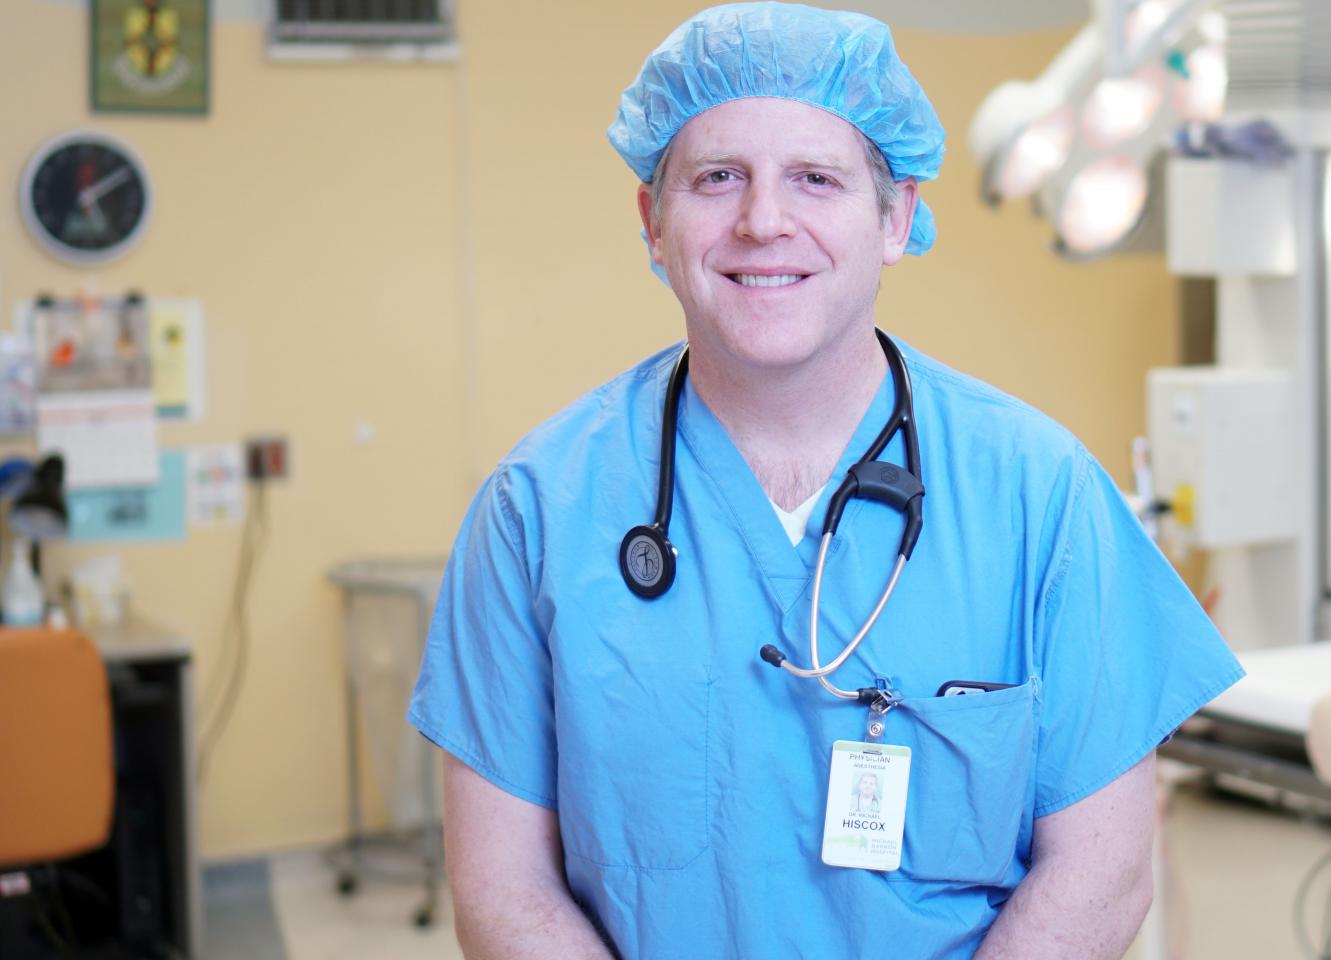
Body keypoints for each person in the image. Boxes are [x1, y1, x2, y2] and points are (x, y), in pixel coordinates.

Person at [407, 4, 1244, 958]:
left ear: (896, 218)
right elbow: (503, 892)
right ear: (653, 221)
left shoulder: (1040, 495)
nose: (765, 222)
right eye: (718, 178)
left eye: (816, 178)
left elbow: (1102, 873)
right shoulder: (535, 513)